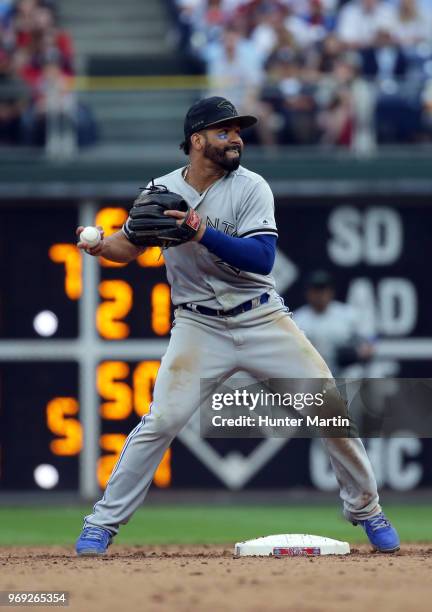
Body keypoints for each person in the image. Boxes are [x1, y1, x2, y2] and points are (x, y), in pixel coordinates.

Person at [75, 96, 400, 556]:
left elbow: (261, 258)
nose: (236, 138)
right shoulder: (162, 190)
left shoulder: (252, 187)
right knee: (162, 420)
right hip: (198, 326)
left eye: (238, 131)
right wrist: (101, 247)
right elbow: (129, 247)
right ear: (197, 140)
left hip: (261, 316)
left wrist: (198, 229)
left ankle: (368, 511)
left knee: (330, 414)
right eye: (224, 131)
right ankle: (102, 524)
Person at [292, 270, 375, 376]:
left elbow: (370, 345)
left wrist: (356, 354)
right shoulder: (297, 320)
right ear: (308, 293)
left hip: (346, 378)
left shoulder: (348, 315)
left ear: (331, 292)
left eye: (323, 289)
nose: (320, 294)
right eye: (316, 290)